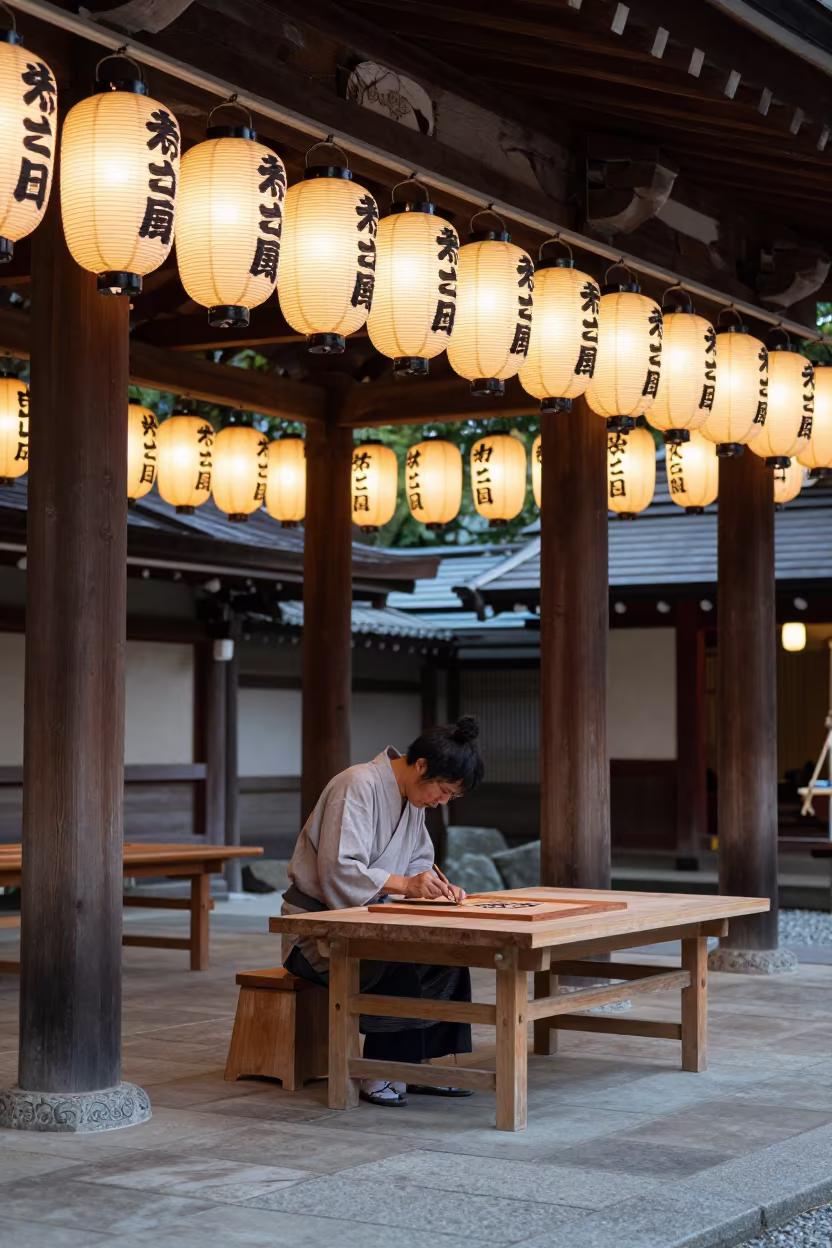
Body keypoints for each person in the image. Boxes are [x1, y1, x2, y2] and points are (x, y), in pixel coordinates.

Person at [282, 715, 484, 1107]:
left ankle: (424, 1065)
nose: (441, 802)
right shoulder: (357, 784)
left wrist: (433, 888)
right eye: (442, 791)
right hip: (318, 928)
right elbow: (339, 869)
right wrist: (407, 886)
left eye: (450, 797)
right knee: (399, 958)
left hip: (372, 919)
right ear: (421, 766)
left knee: (449, 956)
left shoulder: (411, 797)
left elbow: (418, 863)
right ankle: (380, 1071)